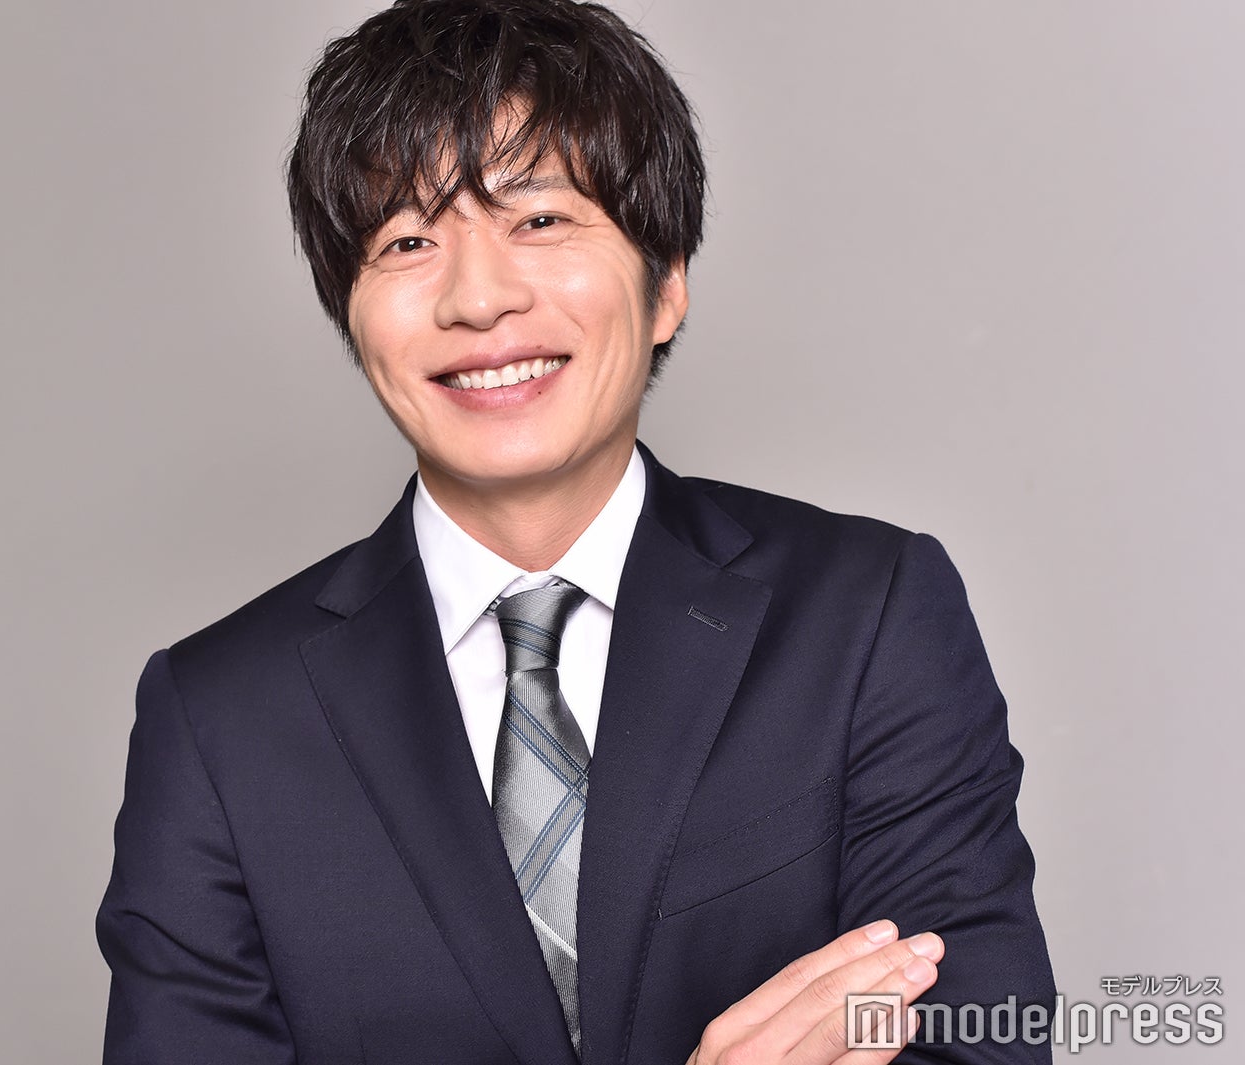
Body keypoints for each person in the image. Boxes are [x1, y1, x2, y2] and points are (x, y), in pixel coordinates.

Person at [95, 1, 1054, 1062]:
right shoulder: (218, 715)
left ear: (666, 282)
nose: (477, 299)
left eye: (540, 220)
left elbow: (980, 1038)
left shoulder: (865, 613)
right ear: (350, 315)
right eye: (407, 240)